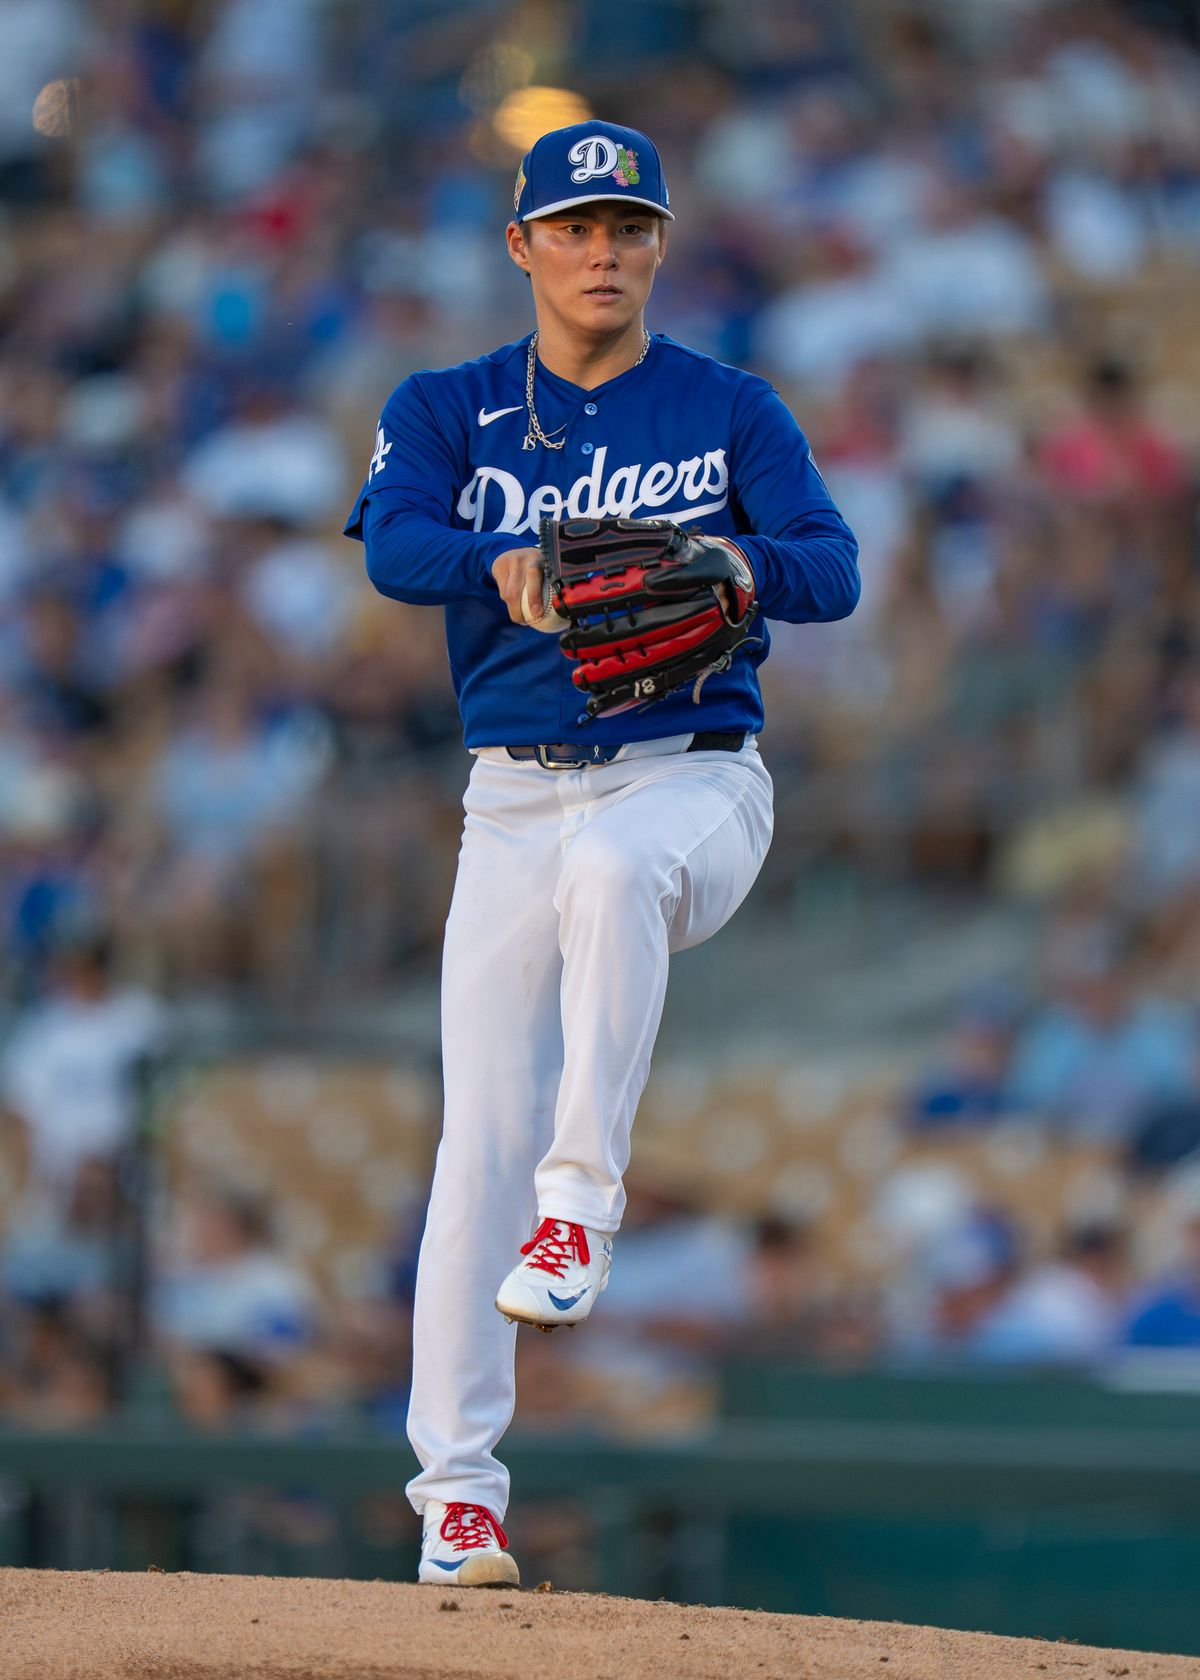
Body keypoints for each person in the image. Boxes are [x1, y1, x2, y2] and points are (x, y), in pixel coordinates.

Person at [344, 120, 859, 1588]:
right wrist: (490, 559)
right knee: (472, 1152)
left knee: (617, 878)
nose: (602, 251)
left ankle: (583, 1211)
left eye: (628, 227)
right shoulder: (448, 406)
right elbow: (392, 544)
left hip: (692, 780)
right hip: (510, 798)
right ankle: (457, 1500)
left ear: (660, 245)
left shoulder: (729, 407)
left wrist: (742, 563)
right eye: (573, 227)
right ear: (522, 247)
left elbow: (834, 565)